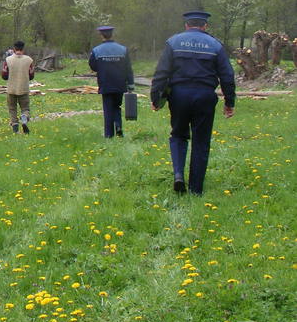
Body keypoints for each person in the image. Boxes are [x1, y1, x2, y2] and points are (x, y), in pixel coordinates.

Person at [151, 11, 236, 195]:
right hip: (205, 96)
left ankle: (179, 175)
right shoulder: (215, 45)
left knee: (179, 135)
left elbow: (161, 73)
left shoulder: (173, 42)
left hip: (179, 95)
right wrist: (230, 102)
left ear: (186, 25)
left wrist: (155, 98)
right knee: (201, 141)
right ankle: (196, 189)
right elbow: (227, 76)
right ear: (205, 26)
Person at [88, 25, 134, 138]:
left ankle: (109, 135)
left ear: (101, 35)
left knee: (108, 109)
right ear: (112, 34)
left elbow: (93, 65)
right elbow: (128, 68)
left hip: (105, 83)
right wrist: (131, 84)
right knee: (117, 106)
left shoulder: (96, 50)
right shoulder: (123, 50)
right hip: (120, 84)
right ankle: (118, 126)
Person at [2, 40, 35, 134]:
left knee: (12, 109)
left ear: (14, 49)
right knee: (25, 108)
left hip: (11, 89)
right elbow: (32, 75)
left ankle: (15, 129)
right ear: (23, 49)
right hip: (24, 89)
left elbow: (4, 75)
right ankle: (24, 117)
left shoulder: (8, 60)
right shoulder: (29, 60)